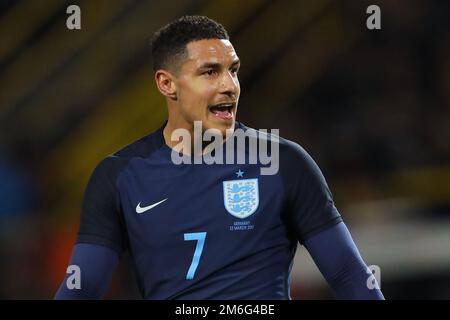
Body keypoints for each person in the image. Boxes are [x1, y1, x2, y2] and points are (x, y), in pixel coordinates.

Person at [55, 15, 384, 300]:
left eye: (234, 70)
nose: (230, 85)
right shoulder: (119, 176)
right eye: (210, 72)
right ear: (167, 84)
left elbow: (349, 276)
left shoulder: (284, 162)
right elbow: (83, 289)